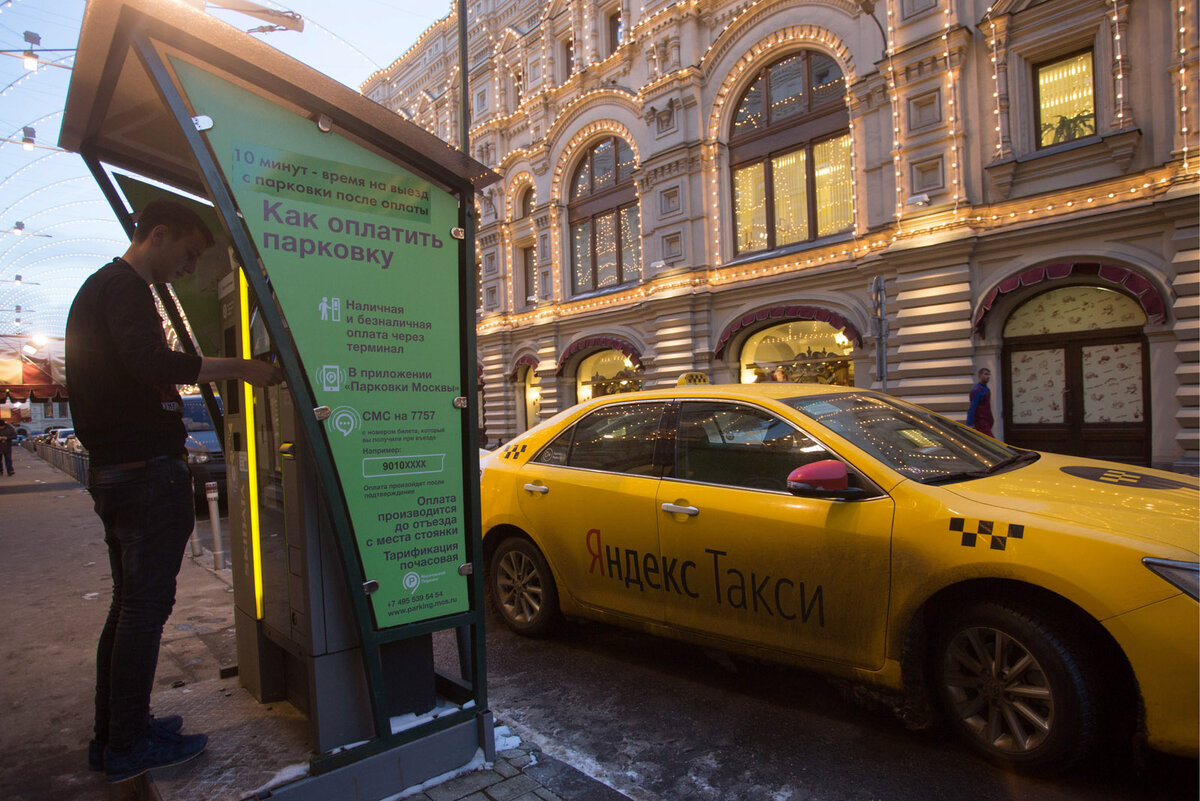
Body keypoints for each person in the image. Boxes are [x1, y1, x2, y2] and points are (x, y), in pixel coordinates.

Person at [65, 200, 282, 784]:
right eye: (186, 255)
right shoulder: (123, 286)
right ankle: (127, 743)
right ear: (156, 234)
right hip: (141, 471)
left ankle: (117, 732)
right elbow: (148, 361)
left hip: (122, 469)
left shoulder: (103, 289)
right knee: (142, 610)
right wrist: (239, 368)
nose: (187, 270)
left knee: (128, 606)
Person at [966, 367, 994, 437]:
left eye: (989, 375)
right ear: (980, 375)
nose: (988, 377)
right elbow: (972, 407)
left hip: (987, 421)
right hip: (981, 422)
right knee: (991, 441)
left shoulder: (986, 389)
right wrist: (969, 424)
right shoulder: (977, 390)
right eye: (986, 374)